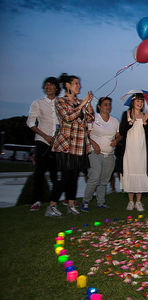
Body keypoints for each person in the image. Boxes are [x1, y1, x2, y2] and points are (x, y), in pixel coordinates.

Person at [48, 73, 94, 216]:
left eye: (79, 84)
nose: (79, 86)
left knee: (74, 177)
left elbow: (90, 118)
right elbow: (67, 118)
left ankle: (71, 205)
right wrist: (81, 104)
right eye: (76, 83)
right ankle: (52, 206)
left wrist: (88, 103)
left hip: (79, 146)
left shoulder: (80, 102)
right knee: (65, 177)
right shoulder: (60, 101)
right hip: (66, 145)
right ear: (67, 85)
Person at [26, 77, 62, 212]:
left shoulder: (61, 103)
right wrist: (45, 136)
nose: (48, 87)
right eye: (46, 85)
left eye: (51, 85)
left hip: (57, 144)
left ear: (56, 88)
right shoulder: (38, 103)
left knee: (55, 174)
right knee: (39, 172)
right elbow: (30, 123)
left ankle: (53, 202)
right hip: (42, 141)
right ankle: (36, 201)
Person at [81, 97, 120, 212]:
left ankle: (101, 202)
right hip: (95, 152)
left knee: (104, 179)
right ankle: (86, 201)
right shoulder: (94, 118)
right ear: (99, 106)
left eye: (109, 104)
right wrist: (94, 144)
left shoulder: (114, 121)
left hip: (110, 154)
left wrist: (116, 141)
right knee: (95, 176)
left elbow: (119, 135)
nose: (108, 107)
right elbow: (85, 134)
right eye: (105, 104)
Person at [119, 93, 148, 212]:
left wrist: (145, 123)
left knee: (140, 171)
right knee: (129, 170)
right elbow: (122, 131)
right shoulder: (126, 114)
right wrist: (131, 122)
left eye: (142, 101)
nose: (140, 103)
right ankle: (130, 201)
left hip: (141, 149)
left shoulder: (145, 115)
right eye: (138, 101)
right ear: (133, 102)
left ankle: (138, 201)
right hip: (129, 149)